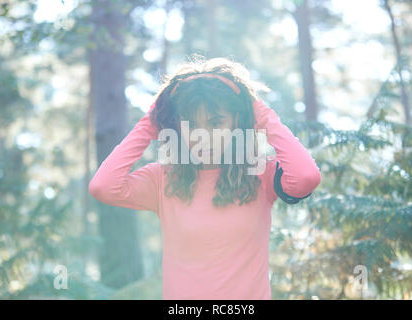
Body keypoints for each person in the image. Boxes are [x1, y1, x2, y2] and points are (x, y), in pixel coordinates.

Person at [88, 56, 322, 299]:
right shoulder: (163, 178)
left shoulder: (260, 173)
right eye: (190, 125)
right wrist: (149, 123)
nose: (203, 135)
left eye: (215, 123)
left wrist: (260, 115)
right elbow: (103, 187)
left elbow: (305, 177)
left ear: (237, 122)